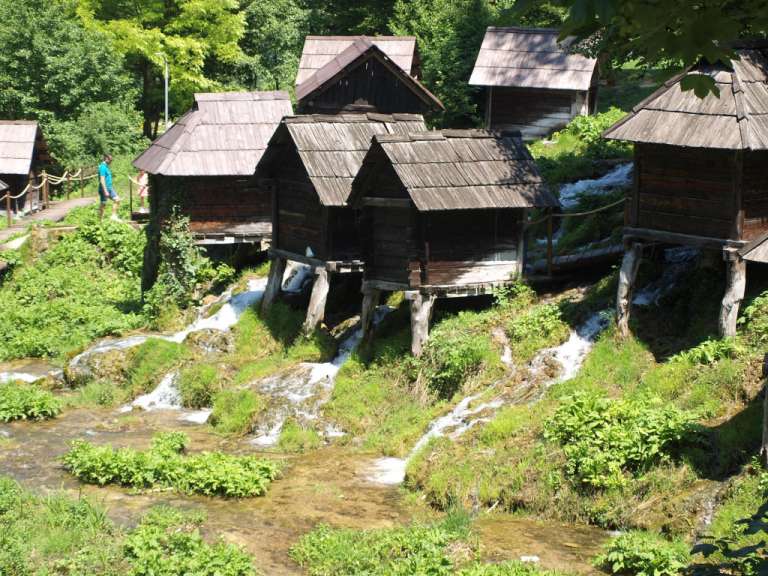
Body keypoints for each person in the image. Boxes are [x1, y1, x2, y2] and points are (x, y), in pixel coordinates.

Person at [98, 154, 120, 221]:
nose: (111, 161)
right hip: (104, 189)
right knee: (103, 204)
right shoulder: (102, 167)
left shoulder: (106, 167)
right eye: (110, 160)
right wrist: (105, 191)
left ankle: (113, 216)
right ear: (106, 159)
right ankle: (100, 220)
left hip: (110, 188)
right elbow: (102, 180)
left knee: (117, 199)